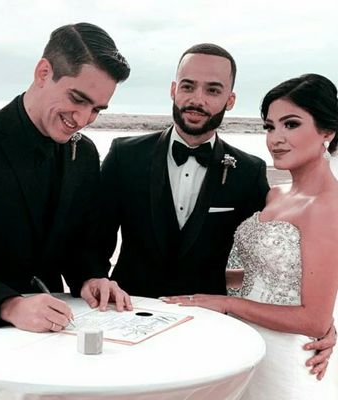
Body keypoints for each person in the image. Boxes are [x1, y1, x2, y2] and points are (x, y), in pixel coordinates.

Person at [99, 45, 335, 377]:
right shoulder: (124, 155)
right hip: (126, 321)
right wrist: (92, 284)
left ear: (230, 100)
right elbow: (92, 240)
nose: (197, 99)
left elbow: (292, 270)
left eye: (212, 90)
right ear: (173, 89)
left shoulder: (249, 172)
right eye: (188, 86)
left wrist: (321, 321)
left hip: (215, 337)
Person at [0, 22, 133, 333]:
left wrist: (90, 278)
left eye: (97, 109)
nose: (83, 119)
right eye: (77, 99)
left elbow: (79, 246)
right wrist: (8, 304)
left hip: (54, 329)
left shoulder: (84, 154)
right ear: (43, 73)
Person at [164, 73, 338, 398]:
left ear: (327, 131)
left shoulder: (328, 207)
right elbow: (258, 274)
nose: (276, 139)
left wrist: (227, 304)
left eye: (291, 124)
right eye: (270, 127)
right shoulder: (275, 195)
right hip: (242, 347)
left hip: (286, 361)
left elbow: (314, 320)